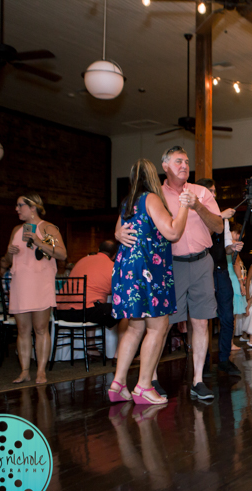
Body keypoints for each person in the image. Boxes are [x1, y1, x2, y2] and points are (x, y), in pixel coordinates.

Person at [116, 146, 224, 402]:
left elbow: (219, 226)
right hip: (167, 266)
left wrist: (198, 206)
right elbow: (125, 221)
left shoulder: (201, 192)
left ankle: (198, 380)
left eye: (186, 161)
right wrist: (118, 233)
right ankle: (150, 379)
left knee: (200, 322)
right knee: (160, 324)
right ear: (164, 166)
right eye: (178, 161)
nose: (184, 165)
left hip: (201, 262)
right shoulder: (155, 194)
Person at [109, 159, 192, 405]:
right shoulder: (150, 199)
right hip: (148, 268)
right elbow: (173, 233)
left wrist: (117, 234)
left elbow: (117, 232)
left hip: (127, 268)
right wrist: (184, 207)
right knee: (158, 326)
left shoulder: (127, 202)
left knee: (135, 328)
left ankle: (117, 384)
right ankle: (144, 386)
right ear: (153, 177)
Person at [6, 192, 67, 384]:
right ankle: (24, 370)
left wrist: (39, 242)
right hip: (20, 283)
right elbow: (9, 260)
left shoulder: (47, 228)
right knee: (22, 329)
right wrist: (10, 253)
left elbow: (61, 254)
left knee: (40, 328)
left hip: (40, 282)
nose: (16, 209)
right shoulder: (17, 229)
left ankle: (41, 371)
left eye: (20, 205)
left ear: (33, 207)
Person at [195, 178, 243, 376]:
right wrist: (219, 215)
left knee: (227, 316)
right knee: (203, 319)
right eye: (210, 192)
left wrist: (232, 248)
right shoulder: (193, 215)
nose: (214, 195)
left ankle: (224, 359)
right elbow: (199, 239)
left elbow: (224, 247)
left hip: (222, 269)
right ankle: (203, 363)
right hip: (203, 271)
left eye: (215, 192)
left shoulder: (223, 220)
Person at [56, 240, 119, 329]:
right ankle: (123, 341)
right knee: (122, 309)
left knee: (94, 304)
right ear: (114, 255)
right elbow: (116, 292)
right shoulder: (113, 267)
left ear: (98, 250)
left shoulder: (82, 260)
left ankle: (90, 341)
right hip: (84, 313)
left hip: (61, 311)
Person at [229, 222, 248, 348]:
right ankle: (229, 343)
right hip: (233, 277)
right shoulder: (231, 245)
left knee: (228, 314)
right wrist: (241, 282)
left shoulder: (225, 243)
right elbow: (236, 263)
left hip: (227, 275)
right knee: (232, 315)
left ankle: (227, 343)